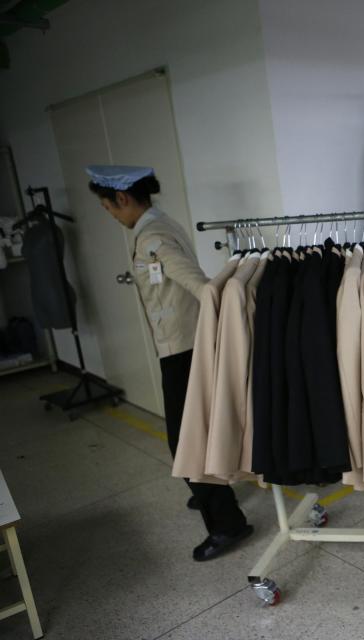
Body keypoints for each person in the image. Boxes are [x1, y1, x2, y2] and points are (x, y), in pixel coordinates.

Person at [86, 165, 253, 561]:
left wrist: (226, 321)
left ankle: (228, 524)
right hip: (186, 345)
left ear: (122, 199)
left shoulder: (153, 238)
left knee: (185, 440)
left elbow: (200, 286)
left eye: (109, 209)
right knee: (198, 430)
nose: (111, 215)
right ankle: (207, 489)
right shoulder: (160, 223)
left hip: (182, 350)